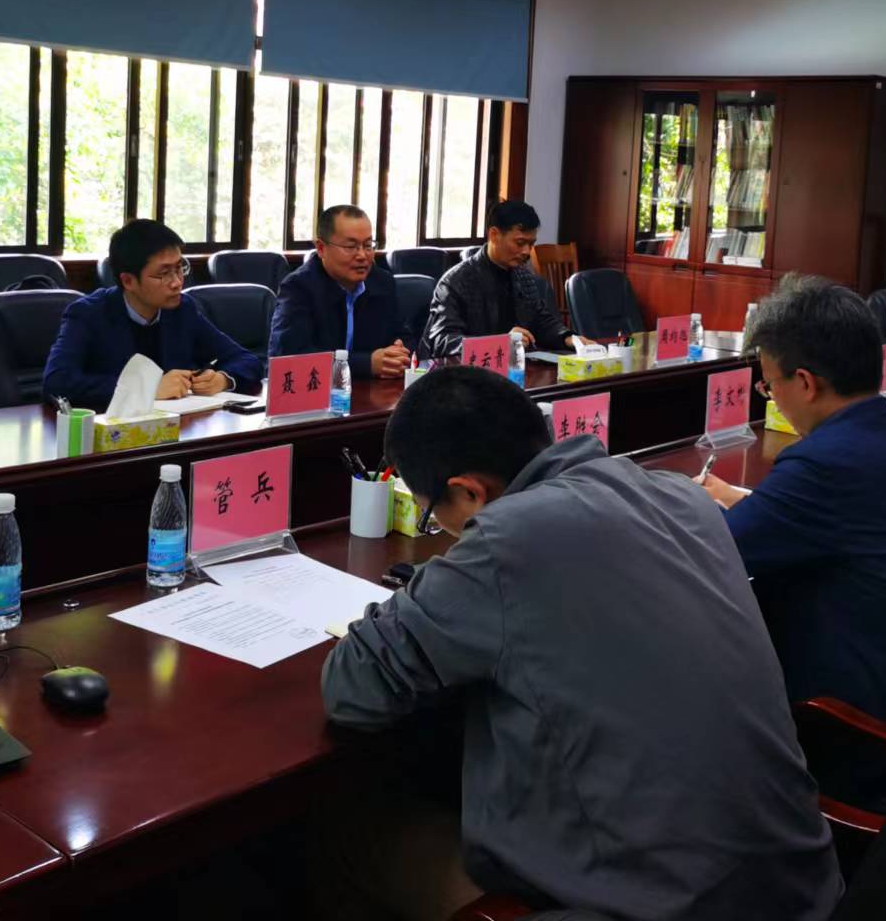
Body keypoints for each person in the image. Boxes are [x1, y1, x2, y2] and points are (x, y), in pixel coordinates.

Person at [319, 367, 842, 921]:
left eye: (431, 515)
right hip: (802, 887)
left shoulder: (506, 540)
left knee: (346, 827)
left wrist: (427, 593)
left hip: (668, 907)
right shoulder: (679, 496)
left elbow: (352, 686)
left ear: (470, 492)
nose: (439, 530)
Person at [701, 276, 886, 741]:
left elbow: (715, 551)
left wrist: (683, 503)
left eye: (769, 385)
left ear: (805, 383)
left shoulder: (825, 462)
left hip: (867, 731)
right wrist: (740, 501)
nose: (771, 396)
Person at [41, 219, 262, 410]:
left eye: (179, 268)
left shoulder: (183, 310)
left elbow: (247, 360)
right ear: (128, 281)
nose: (177, 282)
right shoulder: (88, 314)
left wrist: (223, 380)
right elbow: (56, 382)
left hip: (178, 429)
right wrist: (145, 388)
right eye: (164, 274)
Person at [417, 200, 579, 360]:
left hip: (512, 367)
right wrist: (498, 344)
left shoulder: (524, 277)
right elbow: (443, 342)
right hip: (464, 372)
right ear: (494, 235)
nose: (527, 251)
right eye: (520, 243)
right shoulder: (455, 282)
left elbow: (541, 320)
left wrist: (569, 338)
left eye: (531, 244)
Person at [268, 205, 412, 379]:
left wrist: (398, 352)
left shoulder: (382, 282)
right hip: (318, 392)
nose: (362, 255)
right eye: (351, 247)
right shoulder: (298, 288)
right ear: (321, 248)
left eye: (368, 245)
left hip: (374, 390)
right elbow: (289, 358)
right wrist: (366, 364)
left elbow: (405, 336)